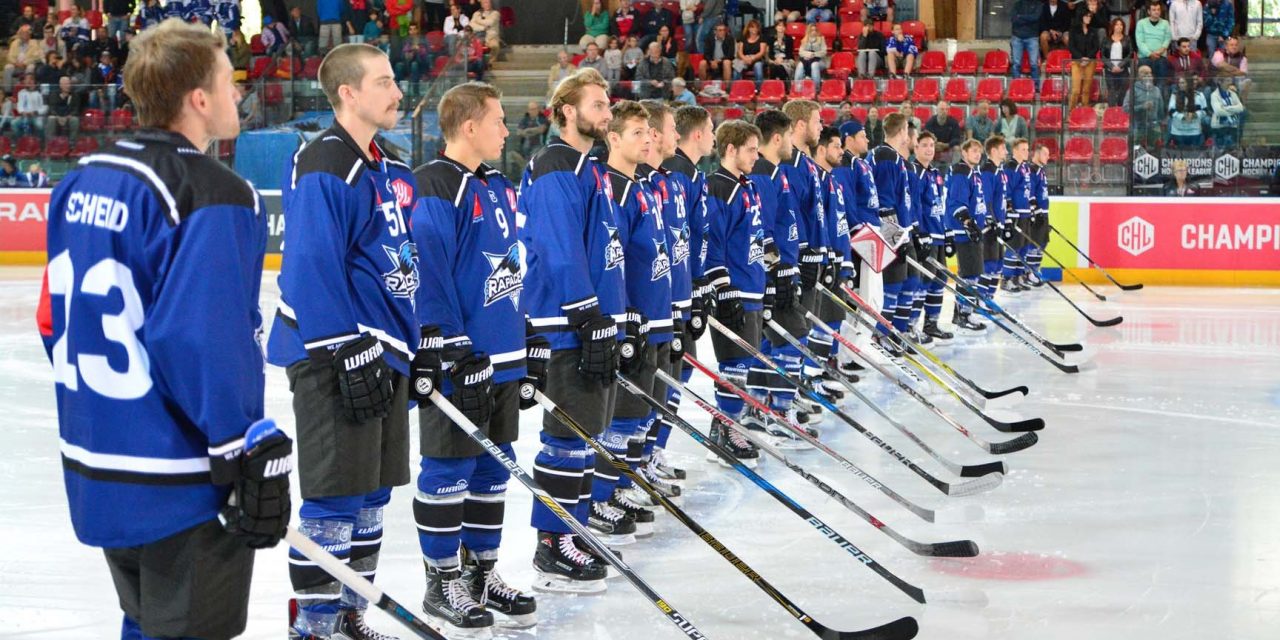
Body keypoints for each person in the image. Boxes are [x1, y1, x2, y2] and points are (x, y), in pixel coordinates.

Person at [37, 18, 290, 640]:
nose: (238, 95)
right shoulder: (213, 192)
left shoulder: (80, 181)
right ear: (199, 100)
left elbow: (51, 318)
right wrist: (240, 448)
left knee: (146, 620)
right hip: (180, 474)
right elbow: (202, 338)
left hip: (97, 458)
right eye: (228, 82)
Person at [268, 43, 416, 639]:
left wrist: (418, 342)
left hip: (381, 352)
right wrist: (343, 345)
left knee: (370, 495)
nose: (397, 92)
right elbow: (308, 267)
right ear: (348, 94)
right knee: (334, 497)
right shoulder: (325, 162)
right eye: (383, 82)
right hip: (333, 355)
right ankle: (315, 627)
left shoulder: (383, 162)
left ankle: (349, 614)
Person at [407, 81, 540, 637]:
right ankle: (442, 580)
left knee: (493, 470)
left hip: (502, 357)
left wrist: (530, 335)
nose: (506, 130)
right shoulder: (434, 186)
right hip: (460, 362)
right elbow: (428, 276)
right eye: (497, 120)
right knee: (449, 468)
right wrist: (452, 346)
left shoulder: (497, 185)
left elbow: (512, 267)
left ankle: (482, 574)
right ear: (467, 126)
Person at [517, 68, 623, 593]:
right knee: (565, 440)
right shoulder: (556, 166)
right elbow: (561, 249)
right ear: (566, 112)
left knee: (587, 440)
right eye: (598, 106)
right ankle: (550, 545)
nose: (607, 114)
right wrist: (586, 314)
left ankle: (574, 532)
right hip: (566, 326)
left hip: (590, 323)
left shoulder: (589, 168)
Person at [590, 100, 666, 539]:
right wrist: (629, 314)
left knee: (636, 410)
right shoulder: (612, 188)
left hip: (651, 315)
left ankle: (617, 484)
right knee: (616, 412)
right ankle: (600, 494)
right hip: (625, 319)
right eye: (637, 132)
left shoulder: (641, 186)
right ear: (613, 138)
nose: (647, 139)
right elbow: (611, 258)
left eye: (649, 132)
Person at [705, 119, 771, 457]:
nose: (756, 156)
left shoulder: (748, 185)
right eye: (750, 150)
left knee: (745, 364)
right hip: (735, 292)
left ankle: (727, 424)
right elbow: (712, 242)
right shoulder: (719, 187)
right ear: (730, 150)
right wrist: (723, 286)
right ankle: (726, 428)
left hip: (753, 287)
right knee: (735, 366)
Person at [660, 104, 716, 472]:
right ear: (696, 134)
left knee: (680, 369)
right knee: (670, 370)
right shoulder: (676, 173)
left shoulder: (691, 173)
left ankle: (653, 449)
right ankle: (647, 452)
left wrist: (700, 282)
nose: (714, 135)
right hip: (670, 294)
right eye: (711, 129)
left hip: (685, 287)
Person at [747, 109, 809, 435]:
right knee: (794, 337)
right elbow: (763, 232)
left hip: (787, 270)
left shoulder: (777, 172)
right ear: (776, 138)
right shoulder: (760, 175)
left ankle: (757, 406)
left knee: (773, 342)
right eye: (787, 137)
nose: (791, 144)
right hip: (775, 274)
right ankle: (780, 412)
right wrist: (778, 273)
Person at [868, 112, 915, 352]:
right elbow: (884, 204)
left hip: (897, 231)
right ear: (903, 130)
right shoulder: (886, 157)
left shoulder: (892, 156)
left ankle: (893, 332)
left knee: (901, 283)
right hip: (888, 233)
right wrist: (896, 237)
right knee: (891, 285)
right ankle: (880, 335)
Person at [909, 131, 953, 340]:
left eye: (932, 145)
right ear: (915, 147)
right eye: (924, 145)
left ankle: (931, 323)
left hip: (938, 235)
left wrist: (947, 232)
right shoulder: (914, 172)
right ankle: (911, 325)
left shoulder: (934, 173)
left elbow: (939, 205)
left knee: (938, 281)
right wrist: (920, 233)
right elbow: (915, 206)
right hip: (925, 236)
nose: (929, 149)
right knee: (922, 282)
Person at [943, 139, 989, 332]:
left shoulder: (973, 173)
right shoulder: (962, 172)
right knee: (970, 274)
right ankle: (964, 314)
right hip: (964, 232)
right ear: (964, 153)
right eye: (973, 151)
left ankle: (962, 312)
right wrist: (968, 223)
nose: (977, 154)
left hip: (971, 231)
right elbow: (956, 202)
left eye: (979, 151)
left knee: (972, 273)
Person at [1000, 138, 1034, 293]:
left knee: (1023, 248)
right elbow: (1006, 190)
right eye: (1023, 149)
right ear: (1014, 150)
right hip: (1016, 215)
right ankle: (1006, 279)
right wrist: (1009, 209)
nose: (1026, 152)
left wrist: (1032, 208)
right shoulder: (1010, 167)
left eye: (1027, 149)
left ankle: (1018, 277)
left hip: (1026, 213)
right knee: (1013, 247)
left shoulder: (1025, 167)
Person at [977, 135, 1009, 300]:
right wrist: (991, 220)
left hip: (999, 224)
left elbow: (1002, 198)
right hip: (989, 227)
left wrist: (1006, 220)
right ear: (994, 151)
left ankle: (989, 298)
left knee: (997, 265)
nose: (1006, 151)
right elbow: (986, 199)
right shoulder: (987, 171)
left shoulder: (1000, 171)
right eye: (1003, 148)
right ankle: (981, 299)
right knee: (989, 264)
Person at [1068, 12, 1100, 109]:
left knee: (1086, 90)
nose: (1089, 18)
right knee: (1076, 90)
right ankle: (1071, 112)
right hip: (1077, 61)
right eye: (1086, 15)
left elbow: (1096, 47)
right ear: (1081, 16)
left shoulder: (1093, 31)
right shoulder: (1073, 30)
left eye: (1090, 16)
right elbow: (1071, 46)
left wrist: (1088, 58)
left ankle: (1085, 112)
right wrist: (1080, 57)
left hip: (1090, 61)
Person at [1135, 1, 1171, 81]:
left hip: (1161, 56)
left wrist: (1159, 51)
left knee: (1162, 82)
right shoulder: (1141, 23)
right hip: (1145, 57)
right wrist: (1150, 53)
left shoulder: (1165, 23)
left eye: (1158, 9)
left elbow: (1167, 39)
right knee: (1142, 83)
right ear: (1148, 11)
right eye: (1154, 10)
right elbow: (1140, 42)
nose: (1157, 12)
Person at [1167, 72, 1205, 147]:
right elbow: (1171, 111)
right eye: (1179, 83)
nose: (1180, 85)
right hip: (1178, 131)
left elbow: (1205, 111)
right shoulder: (1174, 95)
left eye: (1183, 83)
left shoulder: (1199, 95)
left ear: (1189, 83)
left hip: (1194, 131)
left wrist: (1194, 115)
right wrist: (1183, 117)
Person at [1130, 65, 1163, 148]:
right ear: (1139, 76)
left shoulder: (1157, 90)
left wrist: (1159, 122)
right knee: (1136, 148)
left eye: (1150, 73)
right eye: (1145, 74)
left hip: (1153, 125)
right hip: (1138, 125)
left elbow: (1161, 109)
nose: (1148, 76)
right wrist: (1142, 106)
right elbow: (1126, 108)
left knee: (1154, 150)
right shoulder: (1133, 90)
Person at [1011, 0, 1043, 82]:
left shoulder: (1038, 4)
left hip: (1032, 37)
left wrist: (1020, 16)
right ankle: (1016, 86)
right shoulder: (1017, 4)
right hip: (1017, 36)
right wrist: (1029, 18)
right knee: (1016, 64)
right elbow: (1014, 19)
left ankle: (1036, 88)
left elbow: (1036, 17)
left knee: (1034, 64)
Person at [1103, 18, 1133, 107]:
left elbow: (1130, 53)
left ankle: (1121, 111)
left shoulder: (1127, 39)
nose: (1119, 27)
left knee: (1122, 92)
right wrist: (1112, 66)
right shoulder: (1106, 39)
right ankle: (1112, 112)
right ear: (1113, 26)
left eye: (1121, 25)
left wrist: (1120, 66)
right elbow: (1103, 55)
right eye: (1117, 24)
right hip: (1109, 70)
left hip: (1123, 70)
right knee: (1111, 92)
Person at [1208, 75, 1244, 147]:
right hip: (1219, 127)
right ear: (1220, 82)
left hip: (1232, 126)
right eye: (1227, 81)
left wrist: (1226, 108)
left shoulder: (1233, 94)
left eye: (1230, 81)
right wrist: (1234, 110)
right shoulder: (1214, 95)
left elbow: (1240, 108)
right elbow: (1218, 111)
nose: (1230, 83)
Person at [5, 25, 43, 90]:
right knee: (8, 68)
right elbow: (9, 56)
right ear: (19, 34)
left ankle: (27, 88)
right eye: (22, 33)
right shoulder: (14, 43)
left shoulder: (35, 43)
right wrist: (16, 63)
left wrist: (25, 63)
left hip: (27, 65)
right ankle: (7, 91)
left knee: (31, 67)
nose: (24, 35)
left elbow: (37, 57)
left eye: (26, 33)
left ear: (29, 34)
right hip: (16, 65)